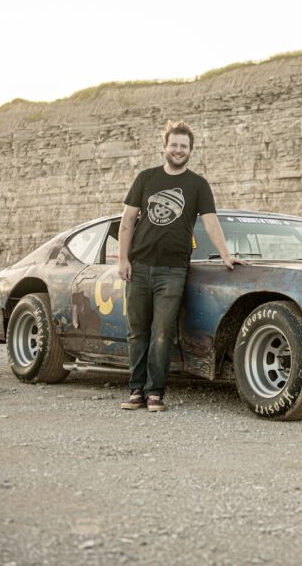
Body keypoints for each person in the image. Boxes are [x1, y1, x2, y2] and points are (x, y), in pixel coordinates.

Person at [117, 121, 244, 412]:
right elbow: (127, 221)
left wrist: (225, 255)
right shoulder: (146, 178)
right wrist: (123, 259)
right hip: (139, 267)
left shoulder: (198, 184)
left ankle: (155, 394)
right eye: (173, 145)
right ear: (165, 147)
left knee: (163, 331)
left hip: (173, 271)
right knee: (137, 331)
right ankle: (136, 390)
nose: (178, 150)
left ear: (190, 150)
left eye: (183, 146)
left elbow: (211, 221)